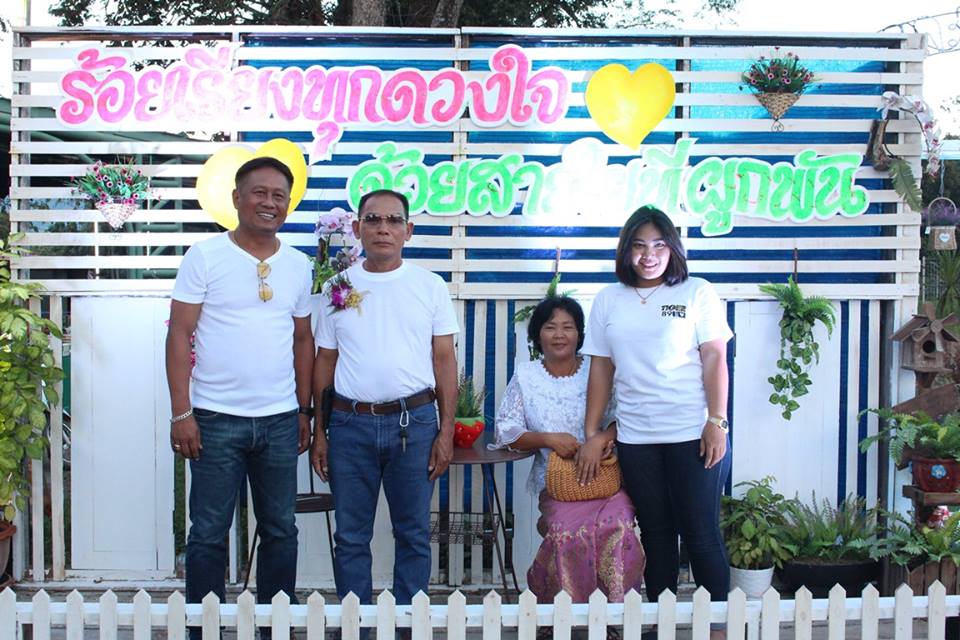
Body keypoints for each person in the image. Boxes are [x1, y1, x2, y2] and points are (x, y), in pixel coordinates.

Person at [166, 156, 314, 633]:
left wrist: (304, 411)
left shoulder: (298, 264)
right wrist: (182, 412)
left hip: (279, 420)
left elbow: (303, 340)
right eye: (260, 192)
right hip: (214, 419)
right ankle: (203, 627)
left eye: (279, 196)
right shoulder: (205, 256)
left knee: (281, 530)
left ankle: (275, 625)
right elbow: (179, 334)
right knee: (209, 533)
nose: (270, 203)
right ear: (236, 198)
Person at [579, 205, 733, 622]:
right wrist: (593, 432)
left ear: (673, 249)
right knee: (657, 534)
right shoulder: (609, 299)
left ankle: (717, 627)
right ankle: (661, 623)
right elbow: (601, 368)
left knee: (701, 534)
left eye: (659, 245)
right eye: (639, 245)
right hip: (636, 440)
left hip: (693, 434)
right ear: (626, 250)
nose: (649, 255)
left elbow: (715, 357)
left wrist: (716, 420)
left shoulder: (696, 291)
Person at [310, 189, 459, 610]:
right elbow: (325, 360)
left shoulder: (429, 286)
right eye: (373, 219)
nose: (383, 228)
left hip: (414, 423)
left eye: (394, 220)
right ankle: (354, 622)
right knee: (350, 535)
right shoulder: (338, 286)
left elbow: (444, 359)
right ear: (358, 228)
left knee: (413, 532)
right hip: (348, 424)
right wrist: (320, 431)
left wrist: (446, 431)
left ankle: (409, 622)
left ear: (408, 231)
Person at [494, 295, 645, 617]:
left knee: (618, 523)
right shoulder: (526, 375)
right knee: (566, 533)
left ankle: (615, 617)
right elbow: (506, 430)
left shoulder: (596, 369)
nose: (559, 335)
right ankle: (564, 618)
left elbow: (625, 416)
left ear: (580, 333)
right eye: (550, 327)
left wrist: (601, 438)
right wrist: (548, 439)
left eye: (568, 327)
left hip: (604, 482)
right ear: (537, 334)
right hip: (558, 486)